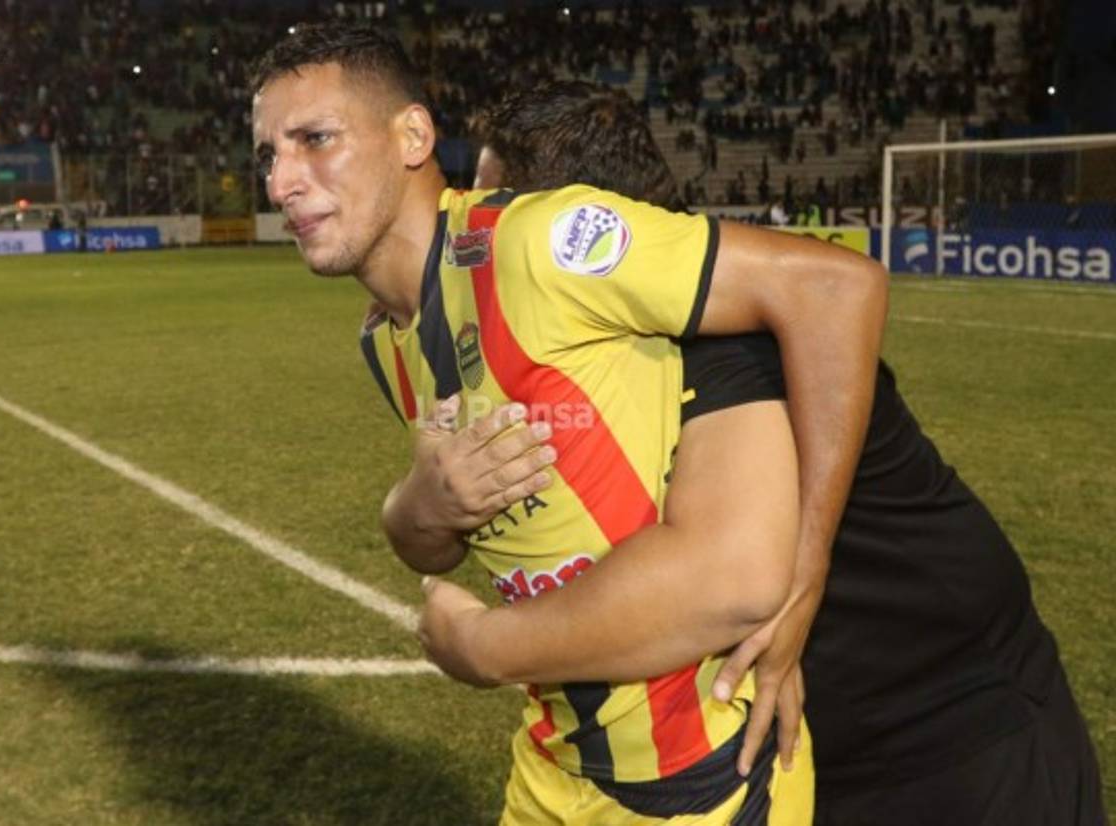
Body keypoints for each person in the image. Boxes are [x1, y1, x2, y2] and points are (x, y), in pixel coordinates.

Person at [413, 81, 1108, 826]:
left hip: (955, 716)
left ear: (575, 218)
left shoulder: (725, 330)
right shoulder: (604, 336)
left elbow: (836, 290)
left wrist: (802, 576)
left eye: (495, 209)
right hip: (813, 736)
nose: (470, 237)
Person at [251, 26, 887, 824]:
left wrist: (805, 569)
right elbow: (442, 536)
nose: (283, 180)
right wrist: (419, 508)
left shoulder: (541, 240)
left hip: (705, 780)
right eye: (269, 154)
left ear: (412, 136)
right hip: (553, 760)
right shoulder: (387, 339)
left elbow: (835, 289)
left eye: (316, 140)